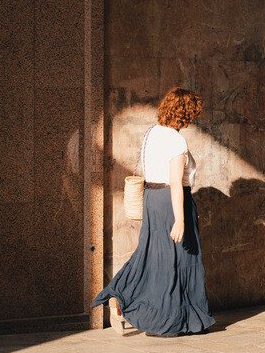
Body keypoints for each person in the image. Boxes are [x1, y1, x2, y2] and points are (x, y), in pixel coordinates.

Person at [91, 87, 216, 337]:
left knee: (151, 254)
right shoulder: (176, 140)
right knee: (179, 260)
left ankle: (120, 294)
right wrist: (180, 219)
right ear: (185, 114)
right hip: (171, 203)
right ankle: (174, 318)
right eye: (192, 114)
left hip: (153, 201)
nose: (193, 119)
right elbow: (174, 182)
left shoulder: (152, 133)